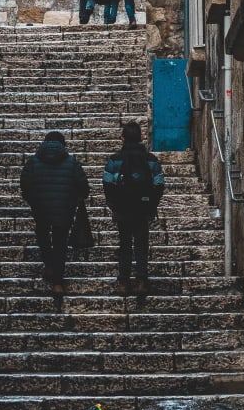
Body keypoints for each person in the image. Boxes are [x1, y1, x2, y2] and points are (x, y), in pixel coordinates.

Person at [20, 130, 89, 305]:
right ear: (63, 145)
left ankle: (49, 265)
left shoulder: (34, 162)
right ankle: (58, 283)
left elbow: (25, 184)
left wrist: (34, 201)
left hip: (40, 207)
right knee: (60, 242)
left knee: (42, 232)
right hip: (64, 209)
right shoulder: (71, 162)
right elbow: (83, 185)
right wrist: (74, 199)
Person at [102, 121, 165, 301]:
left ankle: (123, 282)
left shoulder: (114, 160)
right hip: (142, 209)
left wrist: (113, 204)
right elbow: (159, 184)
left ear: (122, 138)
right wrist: (151, 205)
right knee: (141, 245)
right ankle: (141, 281)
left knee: (124, 246)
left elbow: (107, 183)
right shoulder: (151, 160)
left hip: (122, 208)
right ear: (141, 138)